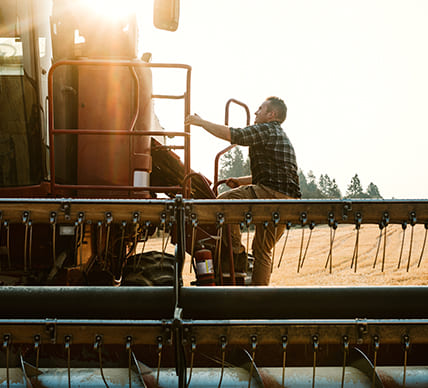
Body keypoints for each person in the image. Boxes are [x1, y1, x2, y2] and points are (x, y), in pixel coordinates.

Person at [185, 97, 301, 285]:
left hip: (270, 194)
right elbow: (277, 175)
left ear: (271, 114)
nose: (256, 112)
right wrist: (240, 181)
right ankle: (258, 298)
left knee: (224, 202)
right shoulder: (280, 136)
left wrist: (201, 122)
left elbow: (235, 135)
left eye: (260, 109)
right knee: (262, 251)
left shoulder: (267, 129)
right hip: (288, 200)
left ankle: (236, 253)